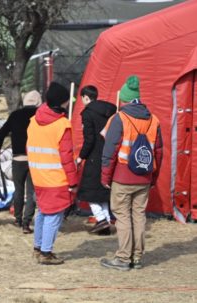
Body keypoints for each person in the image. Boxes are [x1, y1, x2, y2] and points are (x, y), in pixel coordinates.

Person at [100, 75, 163, 271]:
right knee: (139, 215)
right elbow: (159, 152)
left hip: (122, 176)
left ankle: (123, 258)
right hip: (144, 177)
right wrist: (153, 177)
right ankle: (137, 257)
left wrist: (105, 176)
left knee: (122, 216)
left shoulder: (120, 118)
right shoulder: (154, 120)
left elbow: (109, 150)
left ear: (123, 99)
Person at [27, 82, 78, 265]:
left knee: (42, 212)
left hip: (38, 176)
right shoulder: (62, 125)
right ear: (61, 103)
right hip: (56, 178)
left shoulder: (34, 120)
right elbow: (67, 158)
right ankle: (46, 252)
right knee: (54, 216)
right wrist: (73, 182)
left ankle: (38, 247)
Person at [0, 90, 41, 234]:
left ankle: (18, 218)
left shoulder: (15, 115)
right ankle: (27, 223)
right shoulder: (40, 115)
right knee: (32, 191)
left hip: (17, 159)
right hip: (34, 159)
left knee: (19, 190)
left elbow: (1, 133)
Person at [76, 85, 117, 235]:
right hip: (109, 156)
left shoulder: (88, 114)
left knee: (89, 192)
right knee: (102, 192)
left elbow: (89, 139)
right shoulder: (110, 111)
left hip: (94, 157)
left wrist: (81, 157)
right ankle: (106, 221)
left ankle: (100, 219)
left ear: (86, 97)